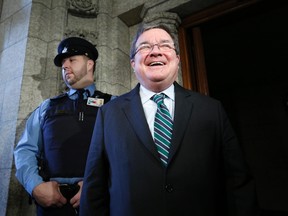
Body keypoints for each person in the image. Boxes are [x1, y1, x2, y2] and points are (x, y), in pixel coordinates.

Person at [79, 24, 259, 216]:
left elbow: (237, 182)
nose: (155, 52)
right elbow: (94, 188)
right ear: (133, 63)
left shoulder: (211, 109)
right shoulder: (109, 114)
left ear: (177, 59)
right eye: (145, 47)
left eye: (165, 45)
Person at [14, 37, 114, 216]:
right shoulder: (47, 107)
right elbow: (25, 150)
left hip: (98, 202)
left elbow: (124, 154)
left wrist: (100, 184)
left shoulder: (113, 104)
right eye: (63, 62)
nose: (65, 66)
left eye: (72, 60)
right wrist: (35, 186)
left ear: (90, 64)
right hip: (52, 205)